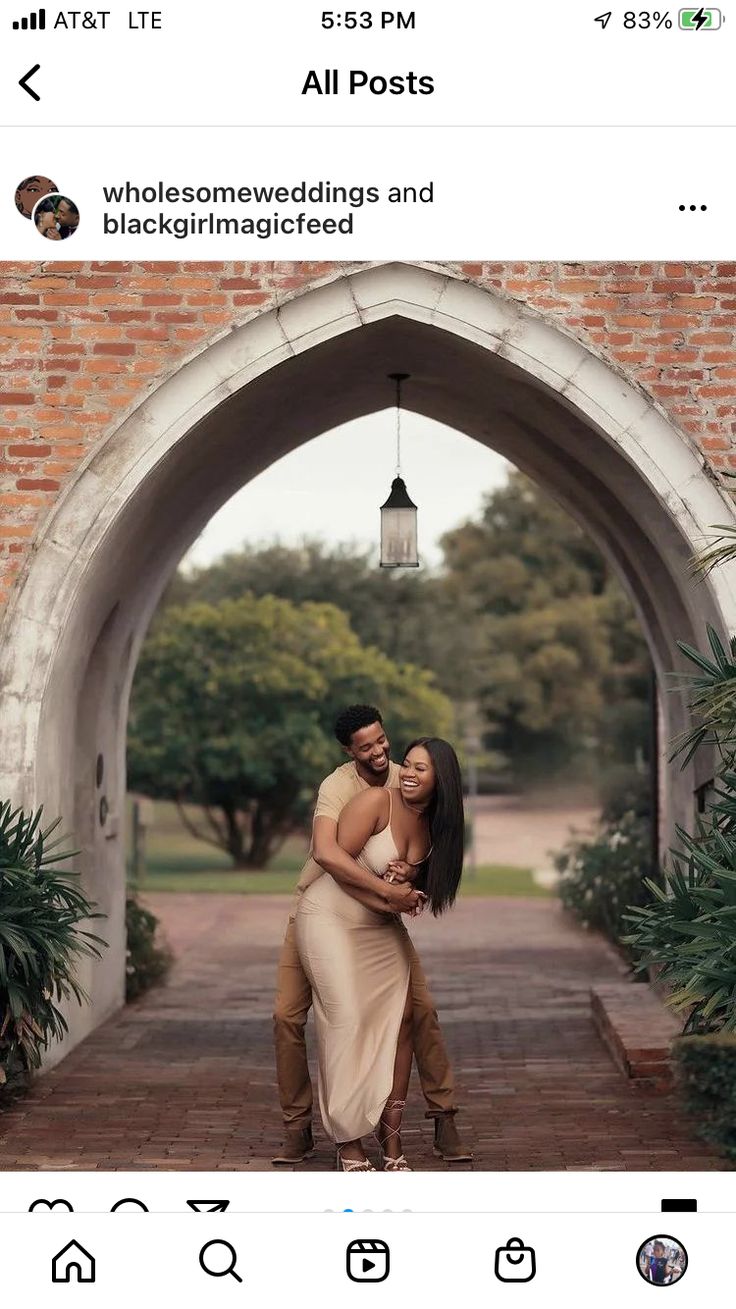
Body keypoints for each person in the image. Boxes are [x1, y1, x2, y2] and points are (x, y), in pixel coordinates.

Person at [272, 704, 472, 1166]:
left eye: (383, 741)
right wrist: (388, 887)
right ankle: (299, 1127)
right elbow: (327, 854)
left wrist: (412, 873)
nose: (381, 752)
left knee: (418, 1012)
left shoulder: (410, 775)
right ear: (350, 750)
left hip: (380, 918)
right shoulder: (339, 787)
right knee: (289, 1016)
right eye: (367, 747)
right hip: (320, 911)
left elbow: (426, 844)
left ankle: (441, 1118)